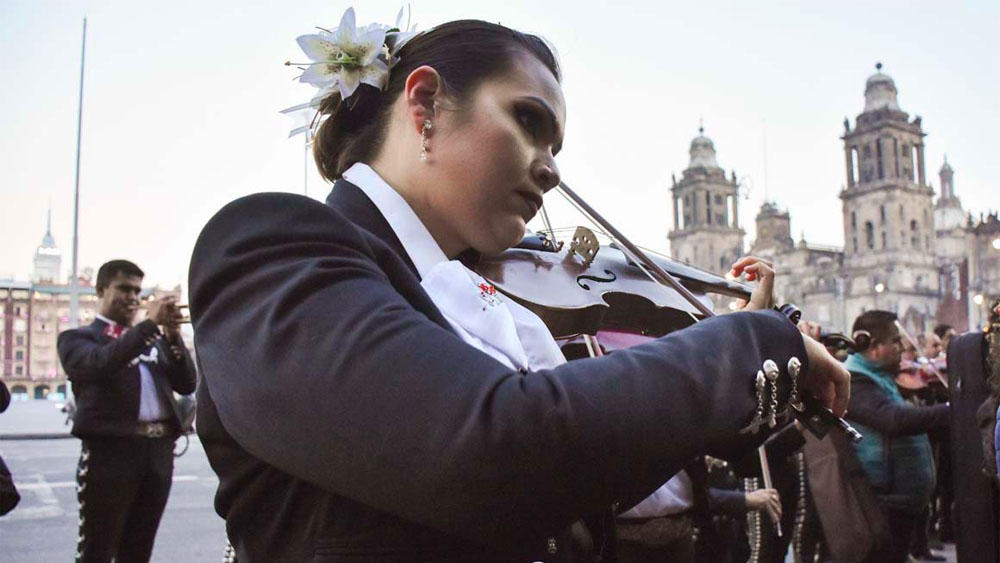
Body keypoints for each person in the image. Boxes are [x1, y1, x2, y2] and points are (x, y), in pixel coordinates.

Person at [188, 11, 849, 562]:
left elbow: (584, 488)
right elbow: (502, 450)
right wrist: (745, 342)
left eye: (556, 143)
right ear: (423, 106)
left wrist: (735, 405)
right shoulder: (267, 246)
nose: (553, 171)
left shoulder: (464, 283)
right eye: (530, 121)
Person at [57, 260, 196, 563]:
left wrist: (172, 338)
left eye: (137, 290)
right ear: (100, 289)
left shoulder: (153, 341)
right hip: (110, 454)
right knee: (98, 550)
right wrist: (149, 327)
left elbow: (186, 384)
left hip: (157, 454)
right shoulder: (78, 339)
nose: (133, 297)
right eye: (124, 288)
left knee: (139, 550)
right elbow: (102, 363)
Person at [843, 311, 949, 563]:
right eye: (895, 341)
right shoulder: (854, 382)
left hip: (901, 504)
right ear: (873, 347)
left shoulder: (881, 378)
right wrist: (948, 411)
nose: (902, 347)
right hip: (884, 504)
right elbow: (893, 420)